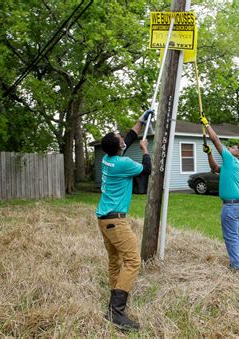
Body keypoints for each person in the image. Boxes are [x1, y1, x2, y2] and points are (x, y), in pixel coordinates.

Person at [95, 109, 153, 331]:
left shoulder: (108, 159)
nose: (123, 137)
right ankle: (117, 313)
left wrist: (141, 120)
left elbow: (128, 137)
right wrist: (145, 150)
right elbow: (146, 170)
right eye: (120, 139)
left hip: (104, 219)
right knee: (132, 261)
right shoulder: (123, 163)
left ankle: (112, 303)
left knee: (114, 261)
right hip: (116, 221)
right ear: (119, 148)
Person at [199, 116, 239, 272]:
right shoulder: (232, 164)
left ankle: (236, 268)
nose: (230, 148)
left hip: (232, 207)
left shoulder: (232, 160)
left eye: (233, 148)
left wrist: (207, 124)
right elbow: (215, 169)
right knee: (236, 236)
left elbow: (215, 140)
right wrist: (209, 154)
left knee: (231, 238)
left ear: (236, 154)